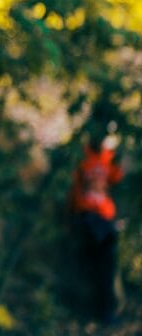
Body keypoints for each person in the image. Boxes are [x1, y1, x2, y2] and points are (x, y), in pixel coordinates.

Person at [68, 123, 124, 324]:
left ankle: (106, 311)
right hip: (87, 214)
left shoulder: (109, 157)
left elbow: (117, 177)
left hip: (105, 216)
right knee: (101, 246)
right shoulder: (81, 157)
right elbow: (73, 188)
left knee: (106, 261)